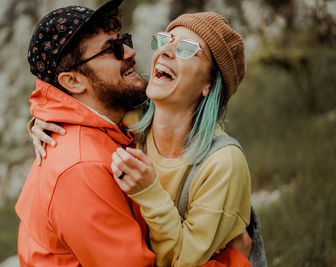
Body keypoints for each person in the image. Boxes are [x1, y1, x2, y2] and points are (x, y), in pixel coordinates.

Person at [20, 1, 253, 266]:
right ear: (72, 82)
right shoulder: (120, 134)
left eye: (188, 50)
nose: (132, 52)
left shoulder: (221, 163)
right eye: (166, 41)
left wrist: (150, 192)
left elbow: (185, 259)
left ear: (210, 82)